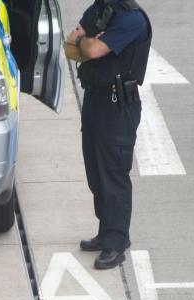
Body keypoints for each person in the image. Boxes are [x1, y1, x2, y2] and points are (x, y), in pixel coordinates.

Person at [64, 0, 151, 270]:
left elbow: (93, 48)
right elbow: (70, 47)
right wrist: (86, 46)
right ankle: (106, 231)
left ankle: (116, 242)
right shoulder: (101, 9)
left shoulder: (131, 19)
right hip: (95, 99)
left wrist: (87, 43)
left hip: (117, 105)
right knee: (96, 172)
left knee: (113, 174)